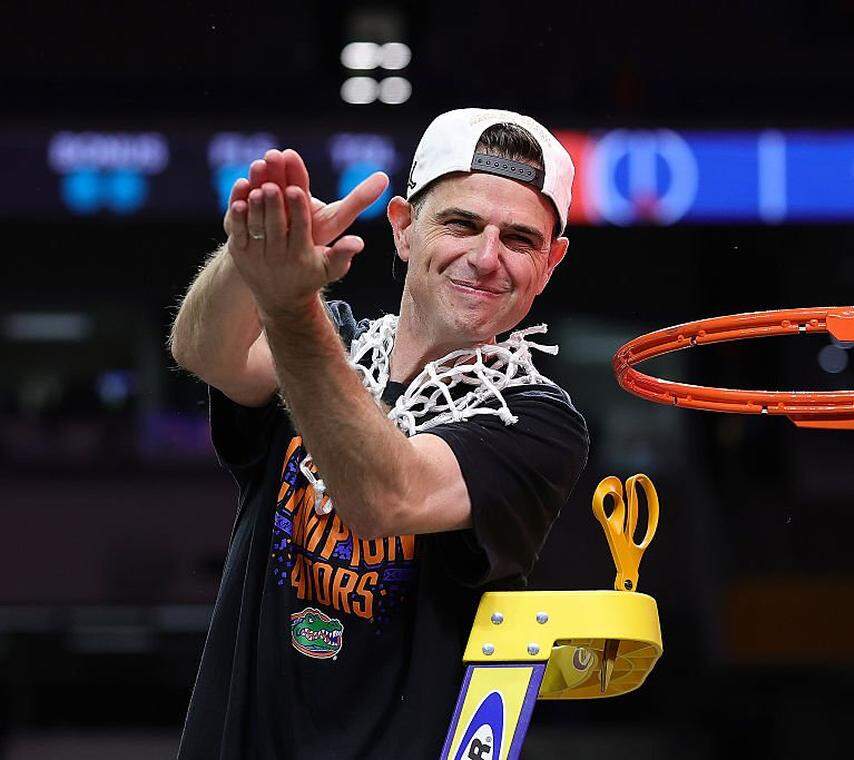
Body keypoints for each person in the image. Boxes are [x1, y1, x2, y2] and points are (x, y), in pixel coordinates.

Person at [168, 108, 589, 758]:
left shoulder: (536, 422)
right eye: (462, 223)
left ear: (551, 262)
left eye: (520, 239)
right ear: (403, 229)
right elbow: (204, 350)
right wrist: (251, 259)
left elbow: (386, 497)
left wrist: (287, 304)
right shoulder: (329, 337)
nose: (486, 258)